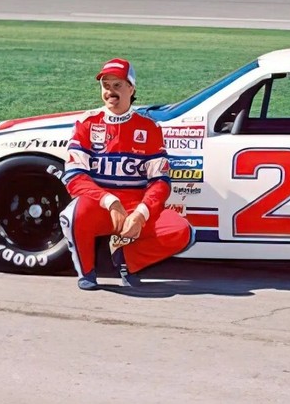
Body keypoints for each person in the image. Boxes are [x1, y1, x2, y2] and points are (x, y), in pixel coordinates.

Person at [59, 58, 193, 290]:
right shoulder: (86, 123)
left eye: (117, 85)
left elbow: (160, 182)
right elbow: (74, 178)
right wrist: (109, 201)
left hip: (135, 205)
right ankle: (87, 272)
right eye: (105, 85)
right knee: (73, 213)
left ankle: (126, 259)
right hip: (99, 204)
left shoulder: (149, 127)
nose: (110, 91)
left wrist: (141, 213)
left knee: (181, 231)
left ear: (131, 88)